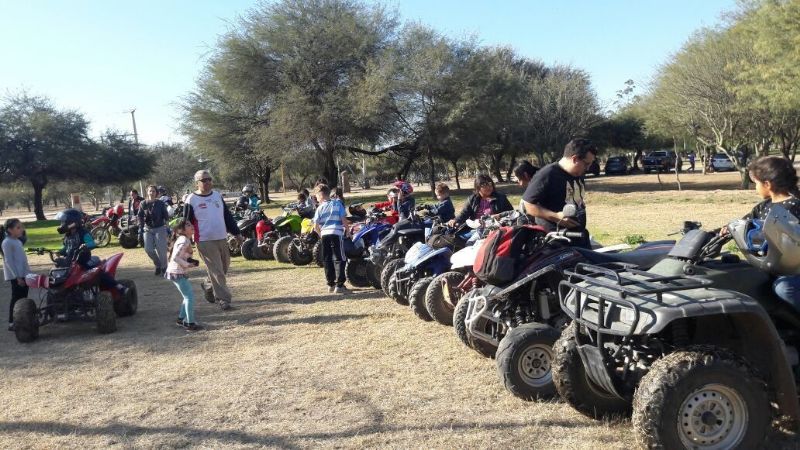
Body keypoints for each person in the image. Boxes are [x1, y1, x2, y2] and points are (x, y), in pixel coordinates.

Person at [721, 156, 800, 311]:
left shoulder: (796, 206)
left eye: (756, 183)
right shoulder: (762, 207)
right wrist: (722, 231)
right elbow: (743, 224)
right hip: (771, 265)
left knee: (784, 288)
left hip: (795, 271)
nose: (755, 187)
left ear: (767, 184)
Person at [183, 170, 242, 310]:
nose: (208, 182)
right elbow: (186, 222)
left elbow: (227, 216)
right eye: (204, 180)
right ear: (197, 183)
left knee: (223, 267)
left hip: (221, 237)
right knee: (217, 270)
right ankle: (223, 300)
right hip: (204, 240)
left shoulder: (217, 196)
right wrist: (186, 241)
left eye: (209, 179)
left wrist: (237, 233)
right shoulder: (191, 199)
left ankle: (208, 285)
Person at [523, 138, 597, 248]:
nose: (588, 168)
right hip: (557, 241)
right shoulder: (547, 174)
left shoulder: (578, 174)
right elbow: (528, 205)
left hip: (579, 237)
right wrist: (556, 216)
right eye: (586, 164)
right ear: (575, 159)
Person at [55, 209, 128, 294]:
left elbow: (92, 243)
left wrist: (85, 246)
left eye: (63, 222)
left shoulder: (83, 232)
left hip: (83, 260)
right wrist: (60, 251)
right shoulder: (68, 235)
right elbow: (66, 248)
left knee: (99, 273)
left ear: (72, 222)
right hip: (70, 261)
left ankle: (118, 286)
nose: (61, 225)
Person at [165, 219, 202, 331]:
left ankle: (181, 319)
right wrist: (187, 264)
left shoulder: (184, 239)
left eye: (191, 224)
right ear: (181, 230)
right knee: (189, 297)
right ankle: (190, 323)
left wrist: (190, 261)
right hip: (177, 272)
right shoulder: (184, 240)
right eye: (188, 225)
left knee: (187, 296)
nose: (191, 226)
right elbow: (175, 258)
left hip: (176, 272)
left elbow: (181, 256)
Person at [312, 184, 350, 294]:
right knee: (339, 258)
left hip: (325, 235)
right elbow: (343, 219)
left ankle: (331, 284)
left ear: (320, 195)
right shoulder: (338, 203)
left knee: (327, 259)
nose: (316, 199)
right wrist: (348, 231)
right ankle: (340, 285)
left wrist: (321, 234)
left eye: (316, 196)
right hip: (336, 233)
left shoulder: (319, 208)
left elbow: (315, 227)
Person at [449, 175, 513, 226]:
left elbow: (511, 213)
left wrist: (500, 216)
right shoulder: (472, 199)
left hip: (495, 228)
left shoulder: (501, 198)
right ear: (478, 187)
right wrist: (455, 220)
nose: (488, 187)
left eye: (490, 184)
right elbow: (464, 214)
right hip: (476, 228)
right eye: (484, 185)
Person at [1, 218, 30, 331]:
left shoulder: (17, 241)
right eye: (18, 227)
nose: (21, 229)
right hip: (16, 276)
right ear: (10, 230)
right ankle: (12, 322)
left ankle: (21, 320)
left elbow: (22, 259)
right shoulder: (7, 242)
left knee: (23, 298)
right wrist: (17, 277)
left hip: (23, 274)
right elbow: (8, 261)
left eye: (21, 227)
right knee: (16, 298)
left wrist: (27, 273)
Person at [138, 185, 170, 276]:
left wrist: (167, 228)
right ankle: (158, 264)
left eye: (153, 191)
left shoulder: (160, 203)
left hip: (160, 228)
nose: (151, 193)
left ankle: (164, 267)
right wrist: (140, 228)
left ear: (156, 193)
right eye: (150, 191)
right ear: (147, 192)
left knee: (161, 250)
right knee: (148, 249)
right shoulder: (143, 203)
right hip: (147, 229)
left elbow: (165, 215)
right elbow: (140, 216)